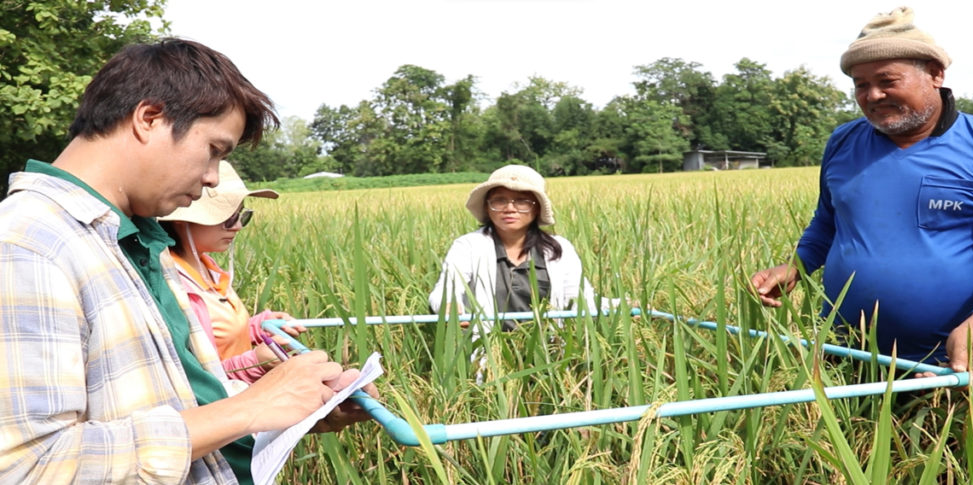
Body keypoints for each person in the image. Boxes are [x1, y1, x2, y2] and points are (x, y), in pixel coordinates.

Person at [0, 38, 377, 484]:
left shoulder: (135, 240)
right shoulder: (28, 245)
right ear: (150, 118)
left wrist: (292, 408)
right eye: (214, 149)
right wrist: (250, 407)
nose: (213, 176)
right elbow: (30, 465)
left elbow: (176, 400)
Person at [750, 7, 973, 387]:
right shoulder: (843, 141)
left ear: (935, 74)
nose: (873, 95)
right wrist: (795, 266)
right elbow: (828, 223)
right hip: (846, 353)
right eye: (860, 84)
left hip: (951, 364)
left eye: (887, 80)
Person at [160, 160, 305, 384]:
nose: (237, 226)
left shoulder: (208, 268)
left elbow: (220, 339)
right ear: (183, 221)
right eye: (228, 218)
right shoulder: (173, 285)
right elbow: (193, 380)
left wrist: (260, 326)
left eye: (241, 216)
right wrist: (255, 362)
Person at [429, 164, 597, 333]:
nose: (510, 209)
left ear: (537, 208)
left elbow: (580, 298)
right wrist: (449, 306)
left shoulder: (558, 249)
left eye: (522, 201)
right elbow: (445, 290)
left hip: (547, 351)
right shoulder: (469, 246)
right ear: (487, 207)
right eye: (499, 201)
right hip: (486, 352)